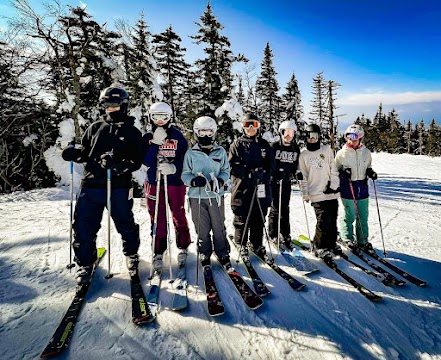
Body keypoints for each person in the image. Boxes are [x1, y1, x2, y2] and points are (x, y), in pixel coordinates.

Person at [61, 86, 144, 284]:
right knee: (83, 225)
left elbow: (137, 161)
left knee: (125, 224)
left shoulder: (132, 132)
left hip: (118, 186)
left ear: (124, 105)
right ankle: (85, 262)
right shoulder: (95, 127)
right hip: (91, 184)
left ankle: (131, 254)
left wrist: (119, 165)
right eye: (107, 105)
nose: (110, 109)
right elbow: (86, 151)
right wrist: (75, 153)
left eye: (114, 105)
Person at [143, 102, 190, 271]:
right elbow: (146, 161)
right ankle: (158, 251)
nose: (160, 120)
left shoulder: (177, 136)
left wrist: (174, 168)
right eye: (156, 117)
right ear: (151, 117)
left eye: (164, 117)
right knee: (157, 217)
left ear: (170, 117)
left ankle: (183, 246)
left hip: (175, 182)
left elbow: (185, 158)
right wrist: (155, 143)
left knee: (178, 213)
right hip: (154, 182)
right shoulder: (148, 136)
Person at [181, 116, 232, 270]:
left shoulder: (220, 151)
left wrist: (221, 181)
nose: (205, 135)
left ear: (214, 133)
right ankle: (204, 252)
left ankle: (222, 252)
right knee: (201, 228)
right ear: (197, 133)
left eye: (209, 132)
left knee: (218, 226)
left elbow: (226, 170)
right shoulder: (191, 154)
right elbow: (185, 174)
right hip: (197, 197)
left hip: (215, 196)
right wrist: (194, 181)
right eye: (202, 132)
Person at [229, 113, 275, 260]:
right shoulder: (237, 144)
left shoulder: (263, 144)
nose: (250, 128)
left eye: (253, 125)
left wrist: (263, 174)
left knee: (259, 215)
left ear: (258, 127)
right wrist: (248, 173)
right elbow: (232, 165)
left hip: (260, 186)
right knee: (242, 215)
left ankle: (256, 243)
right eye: (247, 125)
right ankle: (240, 243)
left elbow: (270, 164)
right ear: (243, 127)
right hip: (243, 187)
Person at [297, 124, 341, 263]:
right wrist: (305, 193)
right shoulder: (303, 155)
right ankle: (320, 246)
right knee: (323, 219)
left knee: (333, 217)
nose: (312, 139)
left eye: (315, 136)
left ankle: (331, 243)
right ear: (305, 138)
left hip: (331, 192)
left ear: (319, 136)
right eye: (309, 136)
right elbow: (302, 176)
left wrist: (334, 185)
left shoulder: (326, 150)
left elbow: (333, 169)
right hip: (316, 192)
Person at [335, 124, 377, 252]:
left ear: (360, 138)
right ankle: (347, 237)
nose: (351, 140)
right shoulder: (342, 154)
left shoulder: (366, 153)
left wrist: (371, 172)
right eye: (349, 137)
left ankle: (362, 240)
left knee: (363, 216)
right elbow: (335, 170)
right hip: (348, 188)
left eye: (355, 137)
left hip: (362, 188)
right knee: (351, 215)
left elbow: (368, 166)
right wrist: (343, 173)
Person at [268, 120, 300, 248]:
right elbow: (268, 163)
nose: (288, 136)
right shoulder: (274, 146)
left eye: (291, 133)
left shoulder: (295, 148)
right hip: (275, 182)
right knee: (275, 207)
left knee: (285, 207)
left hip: (286, 181)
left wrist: (295, 173)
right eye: (286, 133)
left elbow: (296, 164)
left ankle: (285, 233)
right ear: (281, 133)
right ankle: (273, 234)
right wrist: (273, 174)